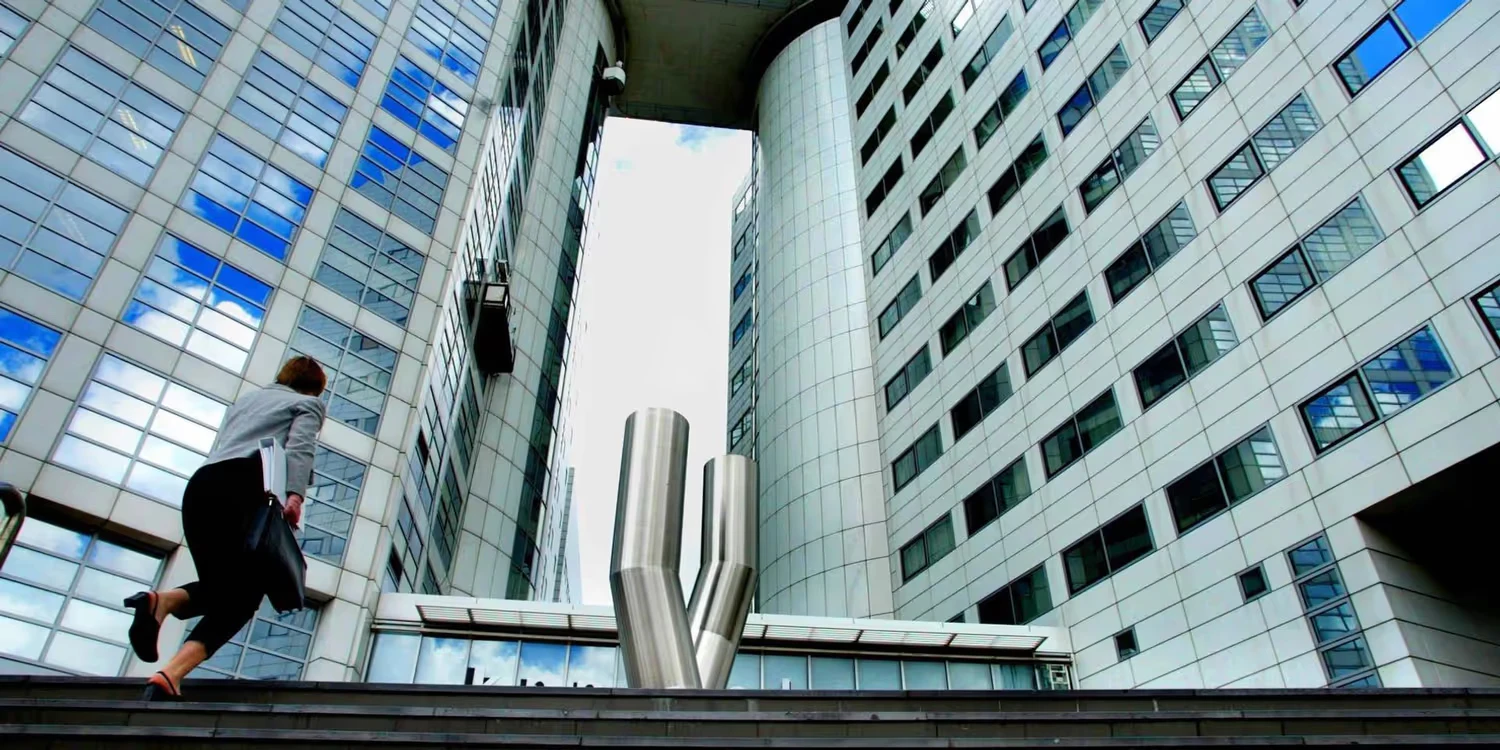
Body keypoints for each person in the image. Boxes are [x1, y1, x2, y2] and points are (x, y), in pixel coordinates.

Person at [122, 355, 328, 700]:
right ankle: (169, 653)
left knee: (226, 590)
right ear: (314, 388)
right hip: (243, 487)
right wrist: (295, 495)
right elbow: (300, 447)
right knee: (242, 598)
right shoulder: (308, 404)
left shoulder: (246, 401)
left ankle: (166, 631)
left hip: (202, 487)